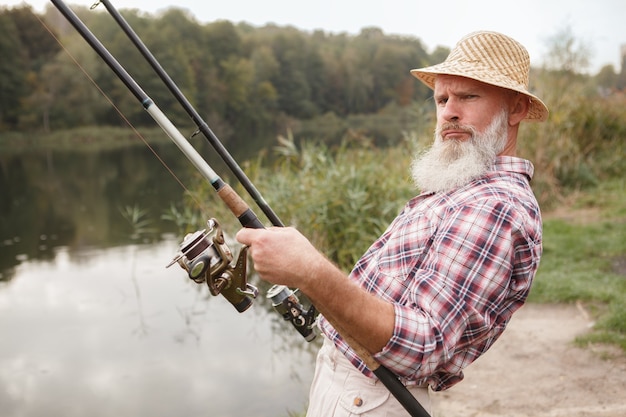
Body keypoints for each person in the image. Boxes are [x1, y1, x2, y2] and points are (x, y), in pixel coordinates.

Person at [236, 30, 548, 416]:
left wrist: (310, 270)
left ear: (516, 109)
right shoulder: (462, 186)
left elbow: (424, 346)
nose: (449, 111)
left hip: (371, 402)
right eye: (442, 98)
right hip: (355, 391)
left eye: (468, 96)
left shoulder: (494, 206)